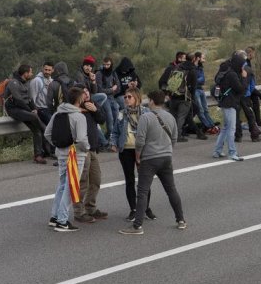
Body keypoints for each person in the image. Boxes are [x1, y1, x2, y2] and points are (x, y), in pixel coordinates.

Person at [119, 90, 186, 235]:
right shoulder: (170, 116)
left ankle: (137, 226)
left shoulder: (146, 117)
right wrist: (167, 149)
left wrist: (138, 156)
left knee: (142, 191)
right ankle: (180, 219)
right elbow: (174, 137)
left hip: (149, 158)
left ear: (151, 101)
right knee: (171, 189)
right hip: (166, 157)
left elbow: (140, 140)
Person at [45, 86, 90, 232]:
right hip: (76, 155)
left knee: (63, 184)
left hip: (61, 154)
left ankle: (54, 217)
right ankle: (62, 221)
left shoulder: (57, 114)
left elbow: (47, 134)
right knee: (71, 186)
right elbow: (81, 139)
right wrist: (87, 148)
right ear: (79, 99)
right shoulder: (79, 117)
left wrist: (59, 145)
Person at [110, 88, 157, 222]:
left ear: (137, 98)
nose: (126, 99)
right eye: (125, 97)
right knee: (129, 180)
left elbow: (153, 130)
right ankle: (133, 209)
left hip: (142, 150)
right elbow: (115, 131)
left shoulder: (146, 113)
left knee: (144, 181)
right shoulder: (121, 113)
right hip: (126, 150)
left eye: (129, 97)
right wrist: (113, 143)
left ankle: (146, 208)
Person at [72, 86, 107, 224]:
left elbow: (102, 120)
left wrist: (95, 110)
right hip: (81, 149)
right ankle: (79, 212)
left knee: (96, 180)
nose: (86, 94)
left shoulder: (93, 104)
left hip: (92, 149)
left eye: (87, 91)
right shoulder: (76, 109)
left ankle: (90, 208)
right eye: (83, 92)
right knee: (83, 182)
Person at [4, 64, 48, 164]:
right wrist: (30, 111)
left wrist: (34, 108)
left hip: (23, 109)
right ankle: (46, 130)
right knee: (34, 117)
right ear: (25, 73)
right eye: (30, 72)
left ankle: (38, 156)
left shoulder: (26, 83)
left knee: (36, 130)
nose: (32, 74)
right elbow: (18, 100)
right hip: (13, 109)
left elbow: (30, 99)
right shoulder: (13, 82)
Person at [213, 53, 247, 161]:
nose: (243, 67)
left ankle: (217, 151)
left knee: (226, 128)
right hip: (230, 103)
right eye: (242, 65)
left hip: (225, 102)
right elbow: (240, 89)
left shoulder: (227, 71)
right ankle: (232, 153)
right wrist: (244, 78)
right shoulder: (232, 75)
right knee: (231, 129)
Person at [192, 52, 218, 134]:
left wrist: (197, 80)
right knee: (200, 110)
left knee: (205, 110)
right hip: (195, 90)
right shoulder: (192, 68)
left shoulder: (200, 68)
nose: (205, 60)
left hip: (201, 89)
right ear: (198, 58)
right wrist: (198, 80)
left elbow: (203, 80)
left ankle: (212, 125)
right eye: (203, 58)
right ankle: (208, 127)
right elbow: (193, 81)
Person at [29, 61, 54, 125]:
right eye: (46, 69)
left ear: (52, 70)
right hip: (41, 109)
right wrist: (34, 109)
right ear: (42, 69)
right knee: (52, 125)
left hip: (50, 109)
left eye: (49, 70)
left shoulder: (52, 81)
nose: (47, 72)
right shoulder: (37, 80)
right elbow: (32, 97)